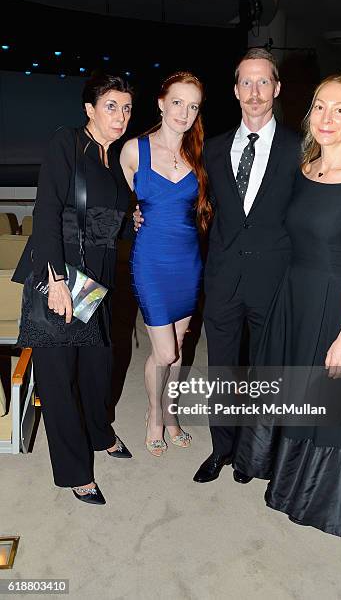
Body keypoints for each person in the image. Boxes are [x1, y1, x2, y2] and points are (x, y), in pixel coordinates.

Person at [234, 74, 341, 536]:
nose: (327, 118)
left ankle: (314, 496)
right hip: (295, 299)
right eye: (319, 106)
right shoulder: (306, 169)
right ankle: (281, 474)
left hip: (338, 308)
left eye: (340, 109)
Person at [13, 74, 134, 505]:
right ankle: (74, 471)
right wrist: (57, 281)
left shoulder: (113, 156)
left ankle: (100, 435)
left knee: (97, 366)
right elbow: (45, 212)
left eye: (126, 108)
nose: (120, 116)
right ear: (90, 109)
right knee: (59, 378)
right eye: (111, 106)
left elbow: (105, 209)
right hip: (60, 272)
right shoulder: (68, 143)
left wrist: (129, 220)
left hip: (96, 276)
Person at [191, 48, 300, 483]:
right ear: (235, 90)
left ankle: (256, 454)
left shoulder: (299, 148)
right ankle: (223, 449)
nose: (255, 92)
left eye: (263, 82)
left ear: (276, 87)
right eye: (246, 83)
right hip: (222, 278)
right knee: (222, 367)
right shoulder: (212, 150)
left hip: (274, 279)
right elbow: (196, 206)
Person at [120, 71, 210, 456]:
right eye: (178, 102)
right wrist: (131, 217)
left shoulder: (199, 154)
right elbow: (116, 204)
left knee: (180, 344)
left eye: (193, 106)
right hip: (152, 262)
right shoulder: (132, 151)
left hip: (188, 262)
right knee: (166, 352)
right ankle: (154, 415)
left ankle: (170, 412)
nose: (184, 112)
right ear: (161, 102)